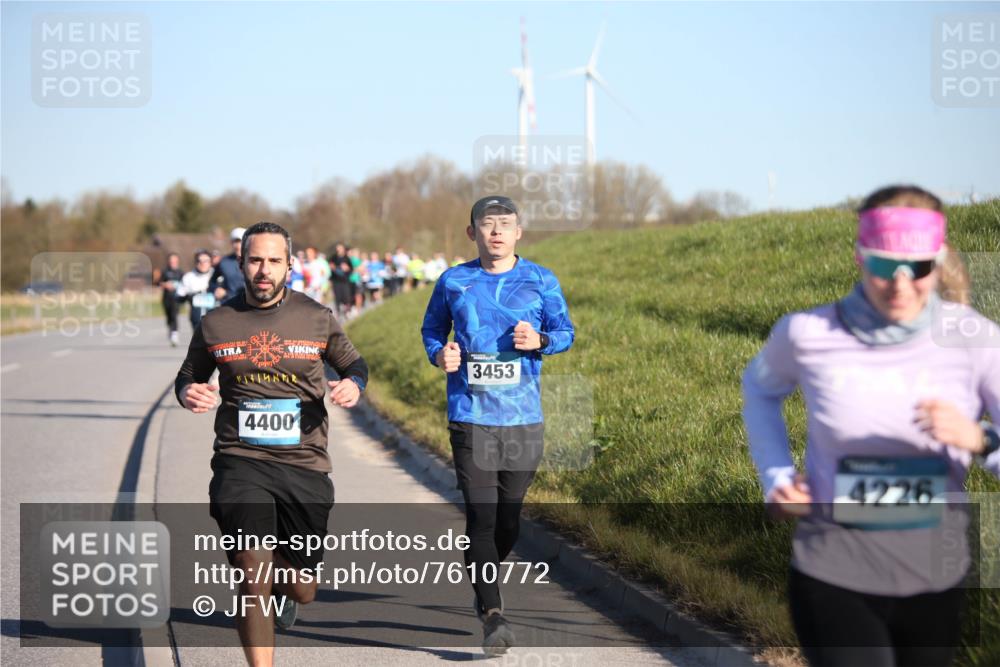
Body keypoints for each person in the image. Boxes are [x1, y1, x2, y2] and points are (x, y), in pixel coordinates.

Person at [742, 185, 1000, 667]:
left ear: (938, 261)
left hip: (934, 578)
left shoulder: (976, 341)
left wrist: (981, 439)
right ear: (860, 257)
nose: (900, 284)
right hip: (833, 571)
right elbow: (759, 390)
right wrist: (777, 477)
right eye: (884, 265)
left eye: (917, 267)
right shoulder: (807, 333)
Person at [175, 222, 368, 667]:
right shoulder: (217, 322)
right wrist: (187, 392)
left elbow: (354, 365)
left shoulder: (316, 317)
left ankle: (285, 585)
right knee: (252, 574)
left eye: (274, 261)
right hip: (240, 460)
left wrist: (353, 385)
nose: (264, 270)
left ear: (290, 265)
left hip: (304, 463)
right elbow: (189, 375)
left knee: (303, 588)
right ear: (241, 263)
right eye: (255, 260)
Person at [421, 195, 575, 656]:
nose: (496, 232)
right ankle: (492, 613)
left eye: (505, 224)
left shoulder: (541, 279)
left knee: (508, 520)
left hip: (523, 418)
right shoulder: (454, 280)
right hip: (471, 415)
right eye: (487, 224)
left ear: (518, 232)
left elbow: (565, 333)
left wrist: (540, 339)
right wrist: (440, 354)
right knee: (482, 517)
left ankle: (482, 574)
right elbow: (432, 330)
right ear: (472, 233)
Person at [177, 250, 216, 330]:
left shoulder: (216, 274)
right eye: (199, 261)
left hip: (216, 318)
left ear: (210, 262)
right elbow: (179, 296)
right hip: (197, 319)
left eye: (205, 261)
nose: (202, 263)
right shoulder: (188, 277)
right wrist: (189, 297)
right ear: (195, 262)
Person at [212, 227, 246, 303]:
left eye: (240, 241)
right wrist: (216, 289)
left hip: (250, 304)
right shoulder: (224, 262)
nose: (237, 245)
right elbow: (212, 281)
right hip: (229, 302)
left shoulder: (255, 260)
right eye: (235, 242)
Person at [158, 252, 184, 346]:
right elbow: (159, 283)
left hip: (177, 298)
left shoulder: (181, 272)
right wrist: (166, 285)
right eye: (171, 261)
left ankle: (174, 334)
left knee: (174, 315)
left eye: (174, 261)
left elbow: (185, 284)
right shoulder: (165, 271)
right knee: (169, 317)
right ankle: (171, 329)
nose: (173, 262)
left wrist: (177, 286)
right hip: (166, 298)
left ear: (177, 261)